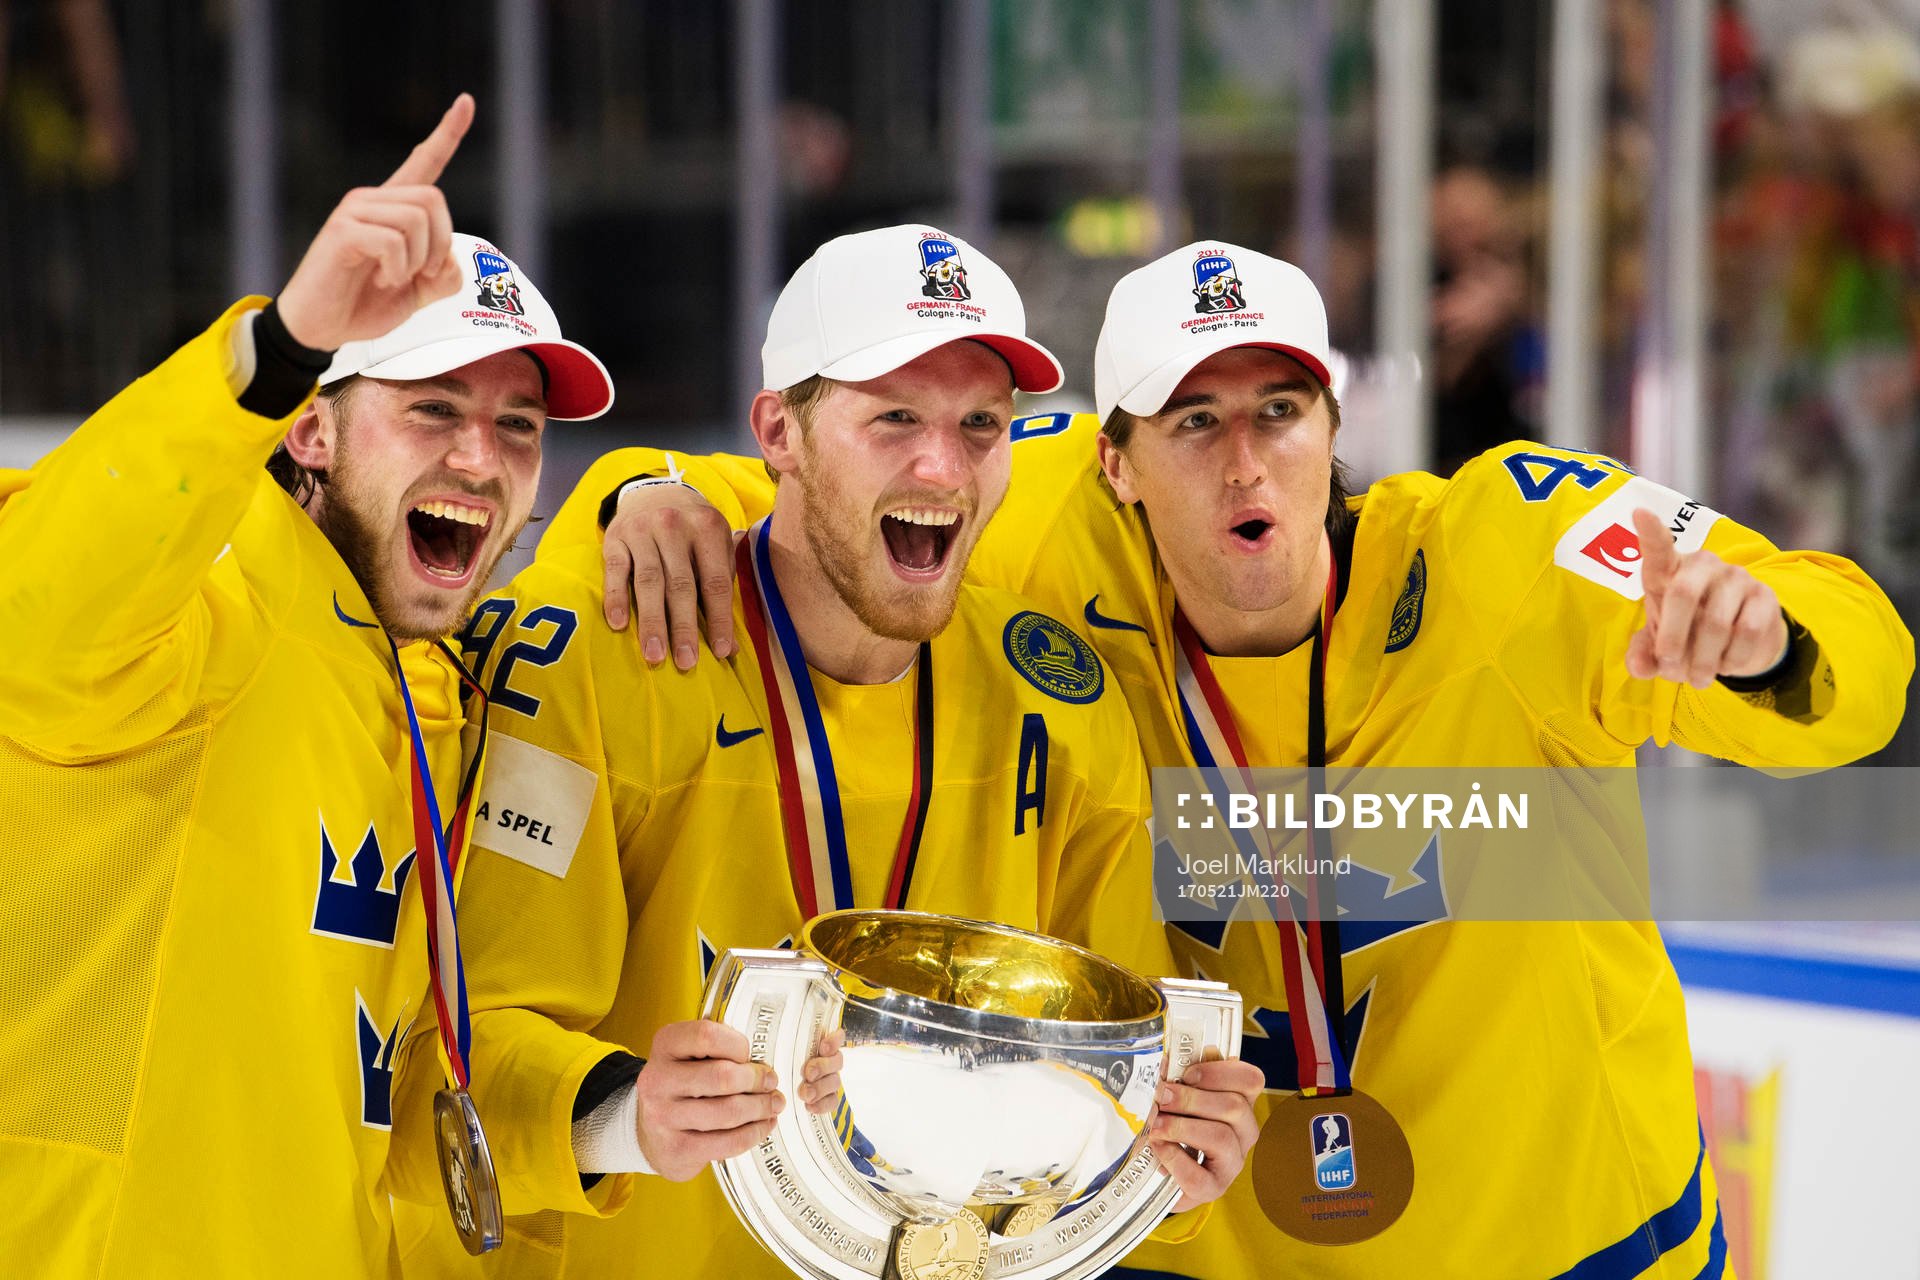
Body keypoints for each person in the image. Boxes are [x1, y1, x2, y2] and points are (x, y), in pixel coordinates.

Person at [573, 241, 1912, 1277]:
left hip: (1568, 1246)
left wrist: (1764, 638)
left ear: (1339, 429)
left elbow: (1854, 667)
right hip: (1214, 1250)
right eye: (1194, 424)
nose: (1244, 460)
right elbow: (820, 482)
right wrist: (645, 492)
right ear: (1113, 461)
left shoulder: (1507, 547)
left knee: (1510, 845)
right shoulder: (1043, 527)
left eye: (1281, 410)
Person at [387, 225, 1264, 1277]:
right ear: (780, 433)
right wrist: (626, 1113)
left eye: (981, 423)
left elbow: (1115, 1077)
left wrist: (1178, 1151)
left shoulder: (1054, 697)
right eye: (893, 416)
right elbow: (450, 1057)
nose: (942, 464)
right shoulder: (594, 660)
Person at [0, 94, 615, 1276]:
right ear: (313, 436)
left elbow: (400, 1085)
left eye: (520, 426)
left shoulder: (426, 690)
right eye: (432, 409)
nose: (479, 458)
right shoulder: (217, 587)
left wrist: (628, 1115)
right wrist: (280, 348)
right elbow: (41, 620)